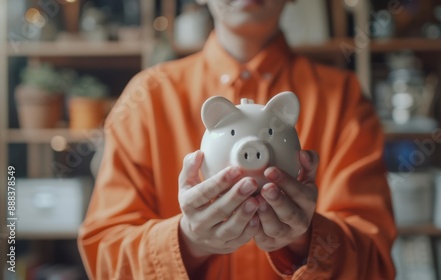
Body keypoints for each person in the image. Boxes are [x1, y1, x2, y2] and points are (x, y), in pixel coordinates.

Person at [78, 0, 396, 279]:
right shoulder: (147, 98)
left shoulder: (343, 99)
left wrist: (303, 240)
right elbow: (105, 253)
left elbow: (374, 259)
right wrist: (188, 240)